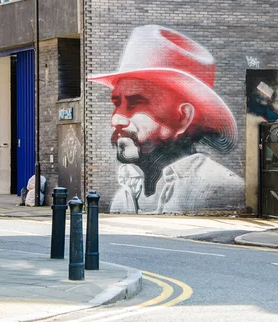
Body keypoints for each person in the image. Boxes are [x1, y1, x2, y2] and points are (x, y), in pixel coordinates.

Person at [89, 24, 244, 214]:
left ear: (182, 117)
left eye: (135, 104)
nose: (116, 119)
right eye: (116, 103)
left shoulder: (218, 189)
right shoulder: (125, 196)